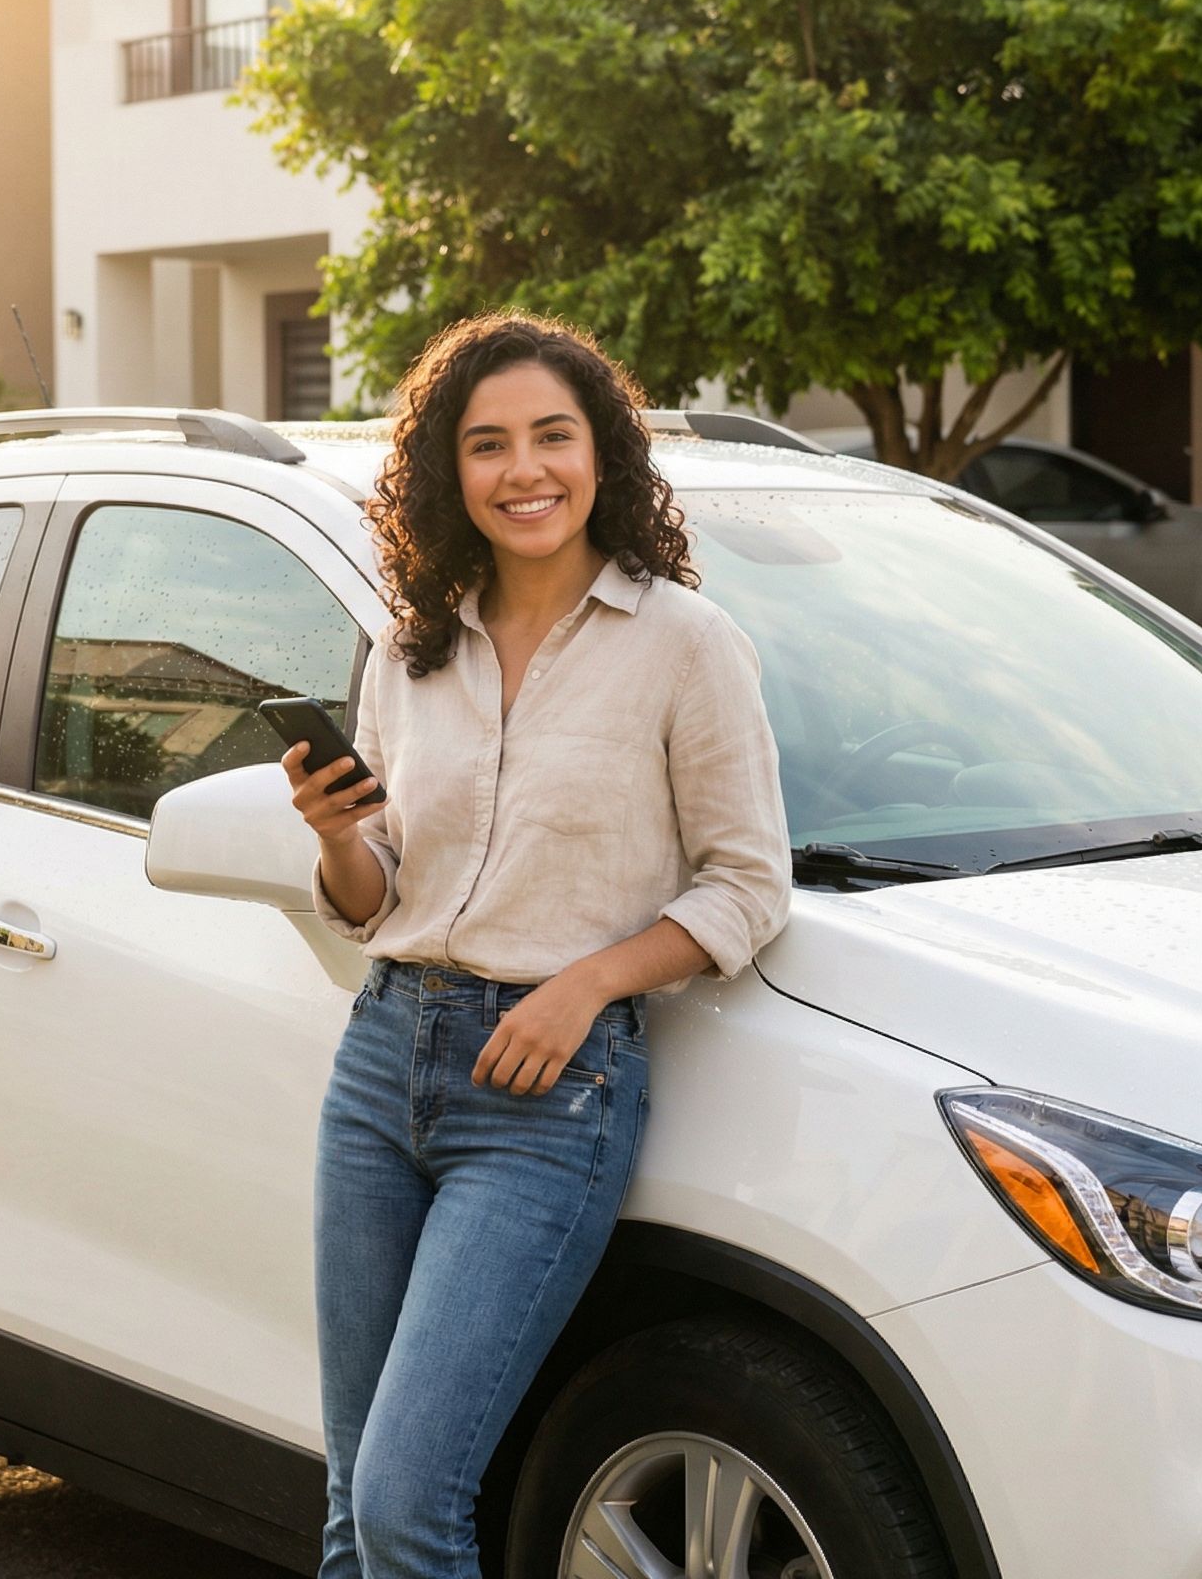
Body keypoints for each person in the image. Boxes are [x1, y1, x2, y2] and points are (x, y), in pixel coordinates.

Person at [279, 309, 792, 1579]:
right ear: (447, 472)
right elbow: (375, 890)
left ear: (599, 451)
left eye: (551, 436)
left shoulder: (682, 643)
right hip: (379, 1063)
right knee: (351, 1499)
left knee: (406, 1498)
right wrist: (335, 835)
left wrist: (586, 984)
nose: (524, 470)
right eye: (487, 443)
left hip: (546, 1094)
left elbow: (747, 883)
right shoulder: (412, 644)